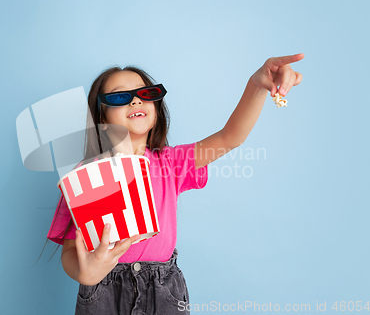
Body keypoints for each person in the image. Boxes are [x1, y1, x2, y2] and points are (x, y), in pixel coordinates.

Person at [44, 54, 304, 314]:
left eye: (145, 93)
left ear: (156, 110)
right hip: (102, 293)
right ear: (101, 115)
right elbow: (70, 250)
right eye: (119, 96)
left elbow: (229, 138)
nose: (135, 100)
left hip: (162, 291)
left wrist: (256, 86)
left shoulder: (171, 163)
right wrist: (85, 273)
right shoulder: (84, 176)